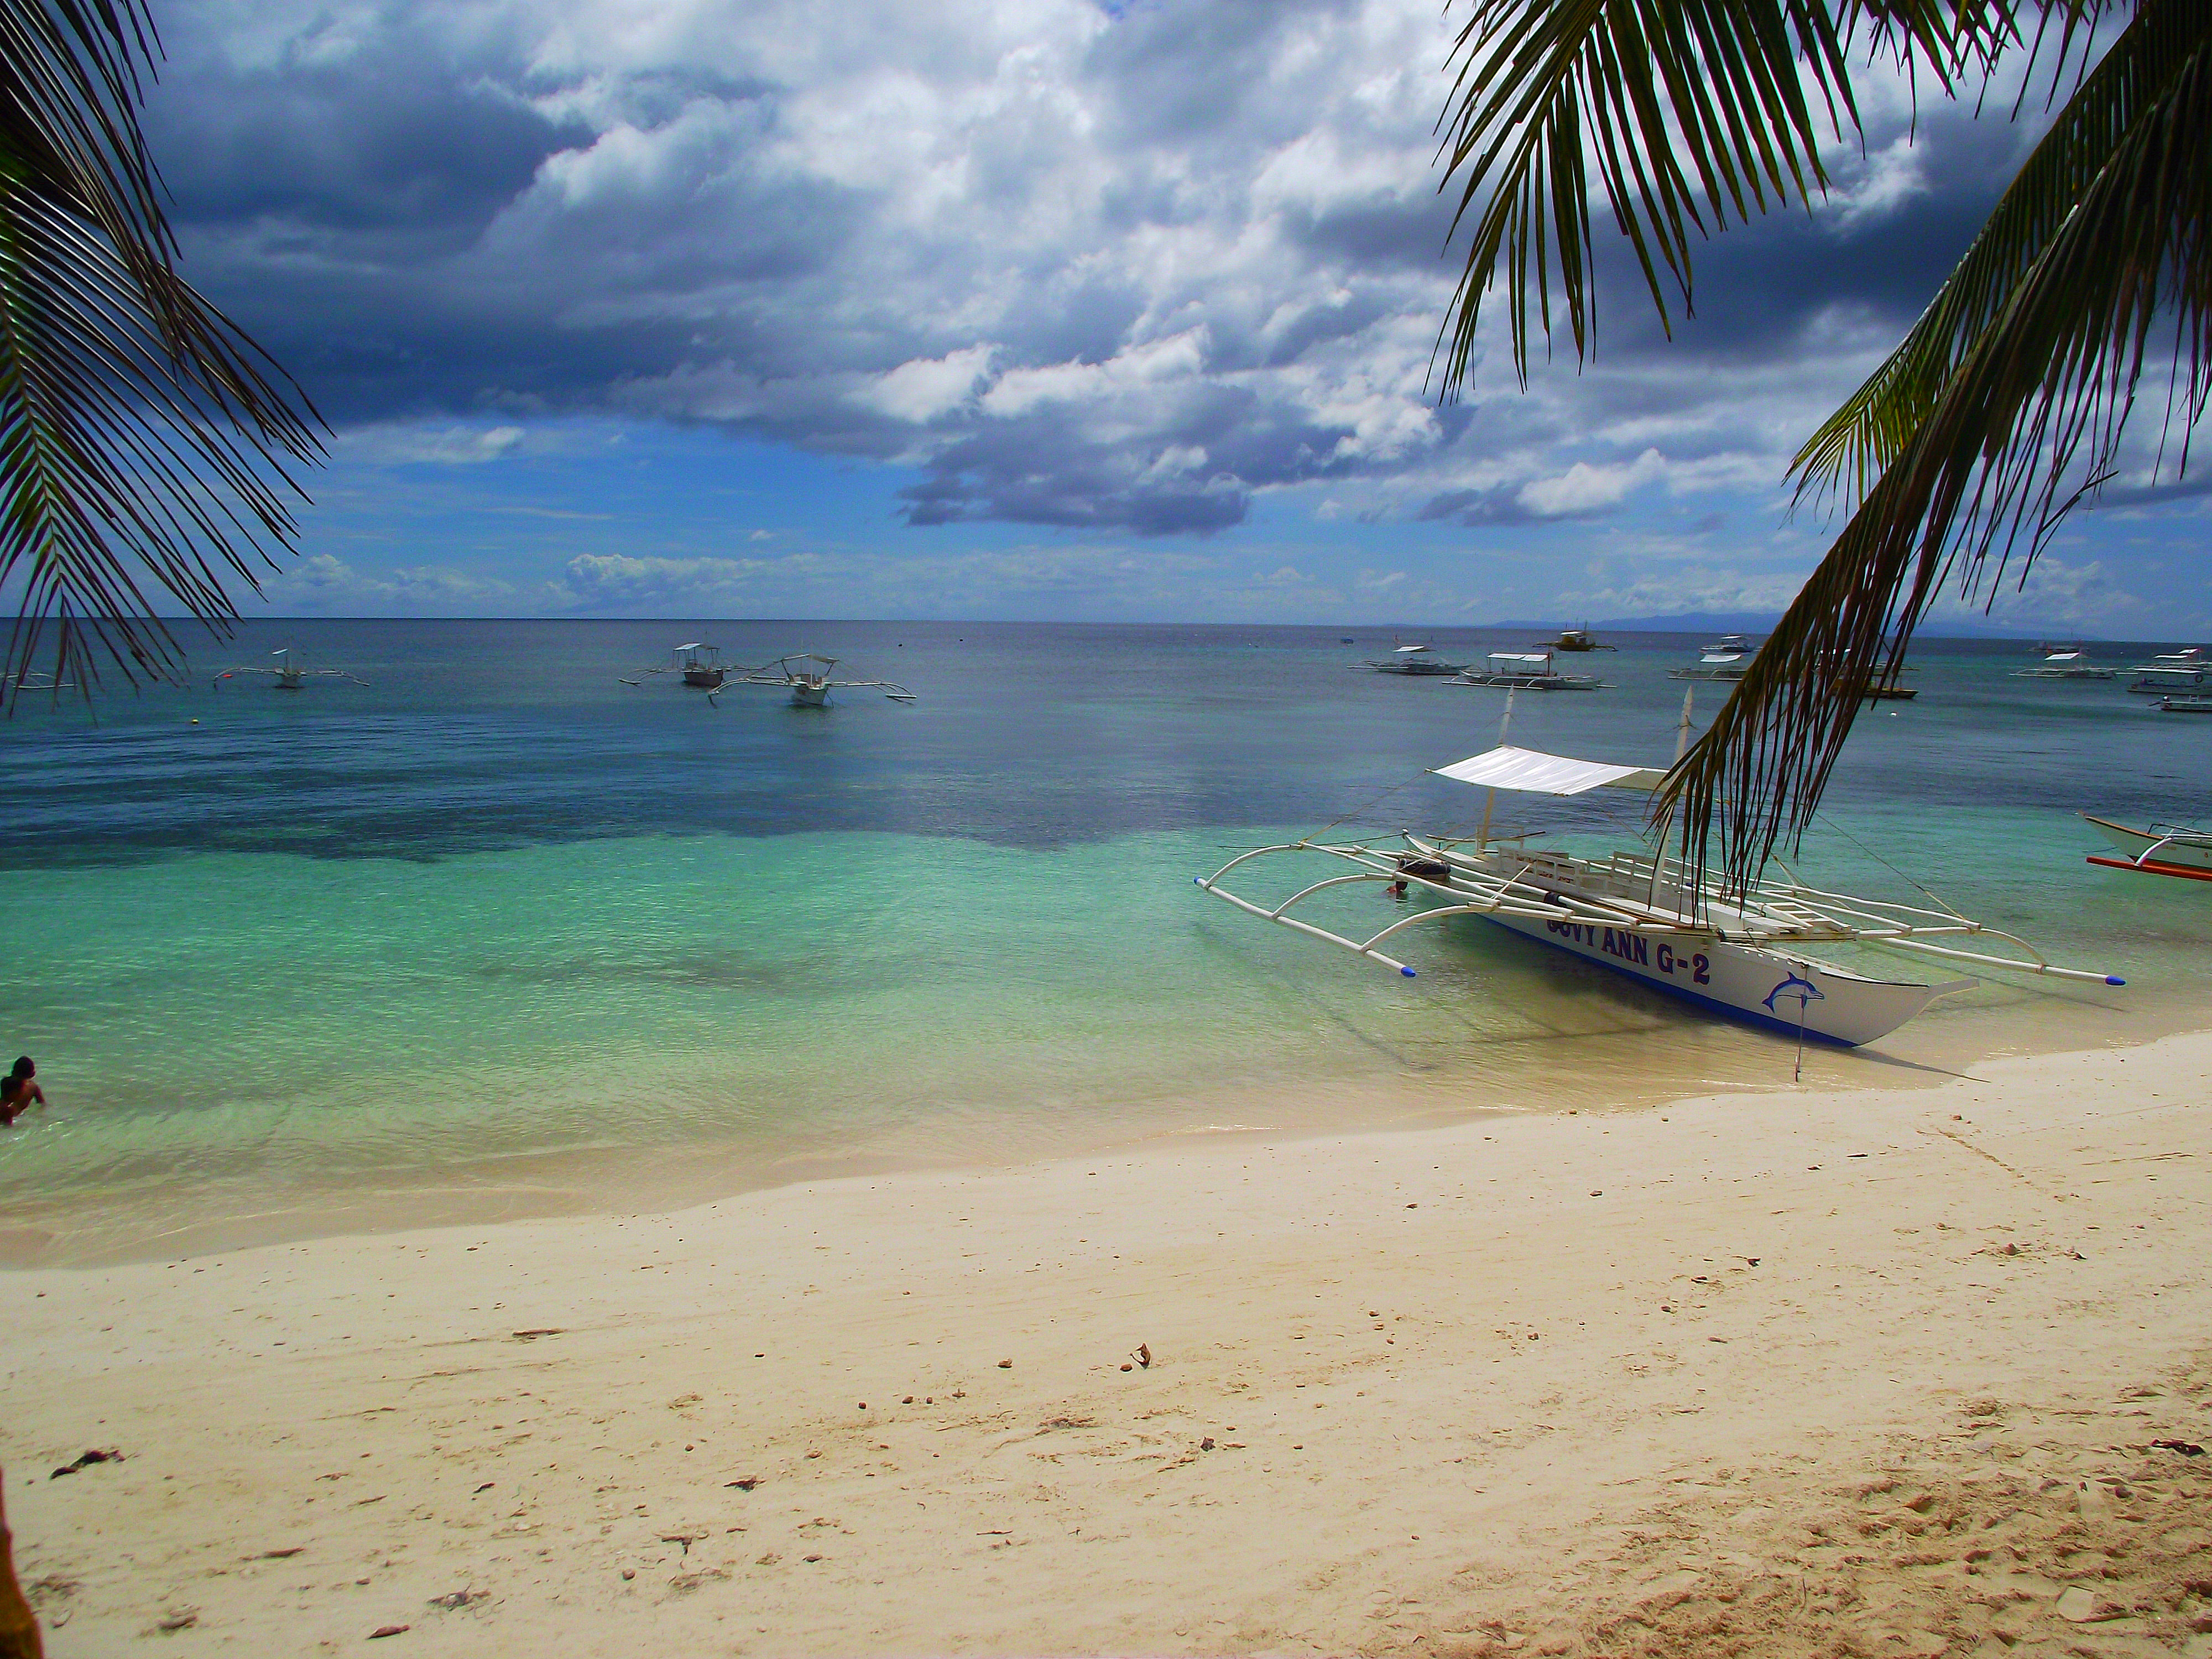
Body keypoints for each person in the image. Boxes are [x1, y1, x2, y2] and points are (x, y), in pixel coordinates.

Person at [0, 1057, 45, 1126]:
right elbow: (42, 1104)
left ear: (13, 1072)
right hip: (15, 1116)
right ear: (33, 1074)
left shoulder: (7, 1084)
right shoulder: (33, 1087)